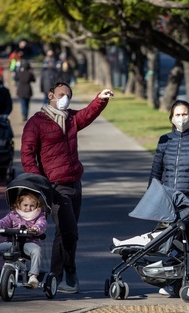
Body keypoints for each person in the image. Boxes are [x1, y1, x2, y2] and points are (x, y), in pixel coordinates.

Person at [21, 82, 114, 293]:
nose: (65, 99)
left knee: (67, 234)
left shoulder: (71, 118)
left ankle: (58, 278)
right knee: (68, 231)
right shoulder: (36, 123)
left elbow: (87, 114)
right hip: (55, 187)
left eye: (69, 96)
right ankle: (66, 275)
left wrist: (101, 99)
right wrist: (39, 182)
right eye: (62, 94)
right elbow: (27, 155)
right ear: (50, 95)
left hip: (75, 184)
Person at [149, 100, 189, 299]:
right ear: (171, 118)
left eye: (184, 114)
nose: (181, 118)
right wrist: (151, 195)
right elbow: (156, 170)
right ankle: (173, 283)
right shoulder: (164, 140)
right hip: (168, 198)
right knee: (170, 242)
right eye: (177, 115)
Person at [0, 189, 47, 290]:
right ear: (19, 205)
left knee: (37, 250)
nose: (28, 208)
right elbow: (4, 222)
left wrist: (36, 229)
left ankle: (33, 276)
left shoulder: (39, 216)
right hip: (12, 242)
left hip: (29, 242)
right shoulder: (13, 215)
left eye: (32, 206)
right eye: (25, 205)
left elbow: (42, 224)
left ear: (37, 206)